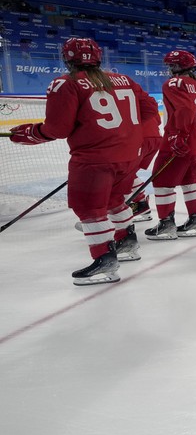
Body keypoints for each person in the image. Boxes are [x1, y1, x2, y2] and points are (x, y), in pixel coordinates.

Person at [9, 37, 159, 285]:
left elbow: (57, 129)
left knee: (89, 210)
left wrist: (29, 133)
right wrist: (123, 133)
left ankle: (105, 262)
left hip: (94, 159)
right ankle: (127, 243)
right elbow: (150, 109)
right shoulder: (125, 80)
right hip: (129, 157)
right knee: (114, 201)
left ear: (66, 58)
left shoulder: (65, 83)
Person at [144, 50, 196, 241]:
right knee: (191, 182)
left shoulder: (174, 83)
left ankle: (166, 225)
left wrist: (178, 135)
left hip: (179, 141)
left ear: (176, 67)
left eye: (170, 66)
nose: (168, 70)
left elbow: (184, 110)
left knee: (162, 182)